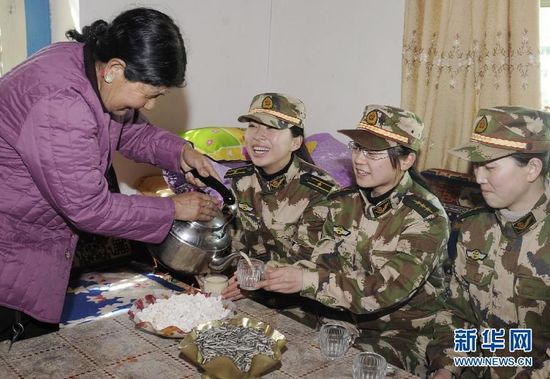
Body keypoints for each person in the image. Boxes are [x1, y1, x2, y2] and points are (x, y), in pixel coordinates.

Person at [0, 7, 220, 341]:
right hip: (11, 252)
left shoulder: (88, 66)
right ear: (115, 69)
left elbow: (128, 131)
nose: (149, 106)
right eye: (149, 94)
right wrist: (175, 208)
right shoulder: (63, 105)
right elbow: (89, 208)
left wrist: (180, 152)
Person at [258, 105, 450, 376]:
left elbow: (387, 289)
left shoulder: (426, 218)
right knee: (266, 340)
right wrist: (280, 273)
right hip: (338, 317)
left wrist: (306, 281)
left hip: (397, 333)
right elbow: (322, 261)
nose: (359, 159)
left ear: (406, 160)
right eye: (357, 148)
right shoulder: (343, 202)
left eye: (372, 153)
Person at [428, 106, 550, 379]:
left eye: (490, 167)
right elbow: (458, 315)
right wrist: (447, 367)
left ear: (532, 168)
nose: (479, 178)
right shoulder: (475, 226)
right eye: (477, 166)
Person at [221, 93, 339, 301]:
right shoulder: (239, 181)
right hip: (245, 289)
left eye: (272, 128)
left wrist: (252, 278)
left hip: (299, 304)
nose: (258, 136)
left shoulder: (320, 191)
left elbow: (311, 263)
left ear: (295, 142)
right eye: (253, 125)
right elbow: (232, 245)